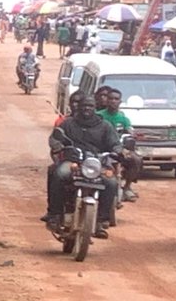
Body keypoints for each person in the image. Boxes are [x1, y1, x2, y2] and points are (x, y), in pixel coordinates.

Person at [45, 93, 122, 238]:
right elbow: (55, 137)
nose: (87, 108)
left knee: (111, 182)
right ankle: (55, 215)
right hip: (73, 162)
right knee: (59, 174)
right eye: (84, 105)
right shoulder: (68, 123)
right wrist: (58, 146)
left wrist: (118, 151)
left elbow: (115, 143)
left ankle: (101, 221)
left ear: (95, 108)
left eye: (90, 106)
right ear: (79, 107)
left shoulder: (105, 126)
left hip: (97, 164)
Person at [98, 87, 141, 202]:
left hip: (119, 150)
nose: (113, 101)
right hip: (101, 149)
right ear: (107, 100)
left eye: (116, 99)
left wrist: (132, 134)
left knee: (136, 160)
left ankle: (127, 187)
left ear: (120, 102)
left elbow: (130, 131)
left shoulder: (123, 118)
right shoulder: (99, 116)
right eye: (111, 98)